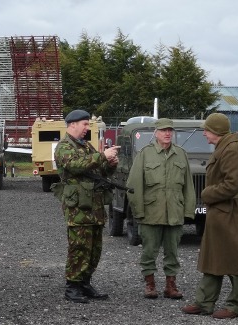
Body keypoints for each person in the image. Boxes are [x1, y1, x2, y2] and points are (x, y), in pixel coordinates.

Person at [181, 113, 238, 319]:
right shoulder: (229, 145)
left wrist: (207, 194)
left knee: (235, 259)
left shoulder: (231, 149)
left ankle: (237, 306)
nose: (204, 133)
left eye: (207, 129)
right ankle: (204, 302)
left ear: (217, 130)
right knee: (214, 257)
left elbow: (232, 185)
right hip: (222, 212)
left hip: (227, 211)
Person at [126, 118, 196, 300]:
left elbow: (189, 185)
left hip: (174, 212)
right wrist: (138, 212)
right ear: (155, 133)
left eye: (170, 130)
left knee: (172, 252)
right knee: (149, 251)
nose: (167, 133)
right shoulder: (145, 154)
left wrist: (188, 211)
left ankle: (170, 285)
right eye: (163, 130)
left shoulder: (181, 154)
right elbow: (134, 185)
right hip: (151, 212)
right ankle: (150, 284)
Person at [55, 109, 119, 303]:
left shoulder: (86, 146)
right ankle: (72, 286)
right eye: (84, 124)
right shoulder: (64, 147)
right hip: (78, 208)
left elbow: (98, 170)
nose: (86, 128)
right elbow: (76, 165)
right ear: (72, 124)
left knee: (94, 248)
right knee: (79, 247)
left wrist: (110, 163)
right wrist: (101, 156)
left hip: (94, 206)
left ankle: (85, 282)